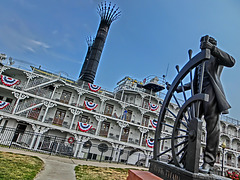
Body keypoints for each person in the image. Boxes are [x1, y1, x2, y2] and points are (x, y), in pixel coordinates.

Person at [177, 35, 235, 173]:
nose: (202, 45)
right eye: (201, 42)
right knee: (192, 126)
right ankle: (185, 158)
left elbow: (231, 61)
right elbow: (195, 81)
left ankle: (208, 162)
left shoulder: (216, 57)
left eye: (205, 42)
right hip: (198, 95)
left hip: (212, 93)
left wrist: (213, 49)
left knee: (212, 128)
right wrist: (179, 88)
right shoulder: (199, 62)